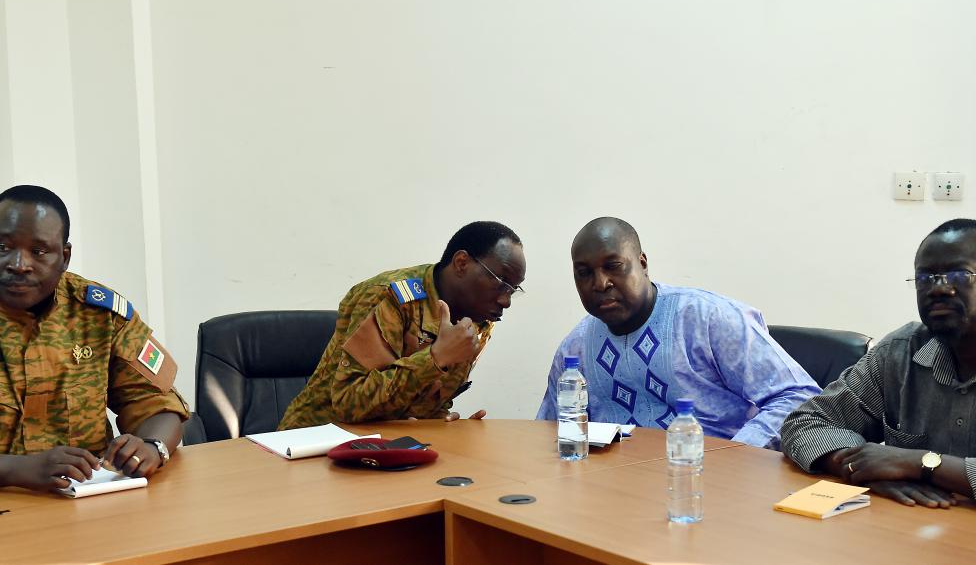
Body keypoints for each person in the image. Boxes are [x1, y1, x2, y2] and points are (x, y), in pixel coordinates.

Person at [0, 185, 189, 491]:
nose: (18, 264)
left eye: (38, 251)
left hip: (90, 499)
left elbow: (158, 403)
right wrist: (18, 470)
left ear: (64, 257)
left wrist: (151, 446)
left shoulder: (100, 314)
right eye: (2, 247)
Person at [536, 217, 819, 449]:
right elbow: (549, 432)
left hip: (710, 486)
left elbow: (797, 397)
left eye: (613, 267)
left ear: (643, 264)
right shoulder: (575, 348)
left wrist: (735, 456)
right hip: (614, 494)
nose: (600, 283)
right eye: (583, 273)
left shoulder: (707, 318)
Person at [782, 219, 976, 507]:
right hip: (911, 532)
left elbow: (912, 464)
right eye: (924, 278)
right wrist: (865, 469)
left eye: (959, 275)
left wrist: (920, 463)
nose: (938, 289)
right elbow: (806, 423)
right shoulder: (900, 351)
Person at [279, 221, 525, 429]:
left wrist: (441, 423)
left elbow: (427, 398)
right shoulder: (390, 296)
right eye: (501, 281)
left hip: (389, 449)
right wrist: (435, 358)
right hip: (313, 446)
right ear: (461, 263)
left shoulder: (479, 318)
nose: (506, 300)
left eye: (514, 289)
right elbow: (348, 403)